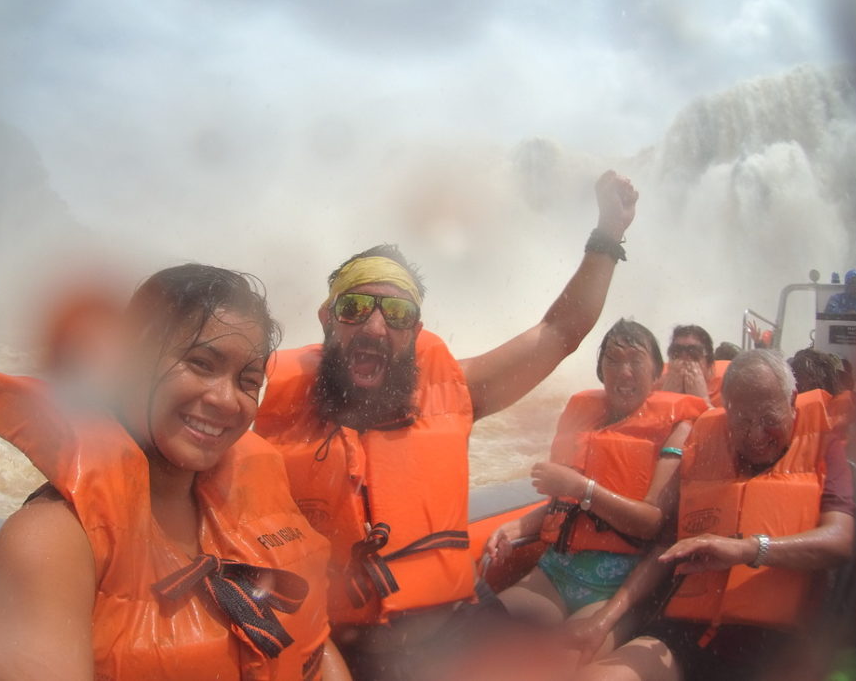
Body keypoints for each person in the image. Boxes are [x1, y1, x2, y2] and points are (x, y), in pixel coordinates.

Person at [255, 170, 638, 678]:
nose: (374, 325)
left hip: (461, 625)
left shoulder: (454, 394)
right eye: (354, 307)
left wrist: (608, 232)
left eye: (395, 312)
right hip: (345, 648)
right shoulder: (258, 407)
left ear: (415, 330)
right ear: (328, 318)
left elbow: (558, 331)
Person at [0, 264, 348, 681]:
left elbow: (316, 644)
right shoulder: (54, 540)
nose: (226, 399)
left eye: (247, 381)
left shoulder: (257, 495)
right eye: (201, 364)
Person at [573, 350, 855, 681]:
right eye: (743, 421)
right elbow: (666, 548)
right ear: (726, 411)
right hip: (686, 631)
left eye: (768, 418)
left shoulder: (827, 450)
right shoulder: (704, 445)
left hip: (776, 646)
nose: (755, 435)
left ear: (792, 400)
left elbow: (839, 540)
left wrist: (747, 549)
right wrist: (606, 618)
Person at [485, 320, 706, 641]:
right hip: (556, 571)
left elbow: (651, 524)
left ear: (658, 372)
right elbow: (565, 508)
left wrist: (582, 488)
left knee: (564, 660)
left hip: (615, 586)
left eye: (635, 360)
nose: (624, 371)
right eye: (613, 361)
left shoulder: (678, 428)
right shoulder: (585, 416)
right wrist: (515, 527)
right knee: (482, 629)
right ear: (601, 371)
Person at [657, 324, 727, 407]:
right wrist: (665, 398)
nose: (684, 360)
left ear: (709, 365)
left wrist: (704, 402)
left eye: (693, 352)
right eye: (676, 352)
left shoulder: (725, 390)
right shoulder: (653, 384)